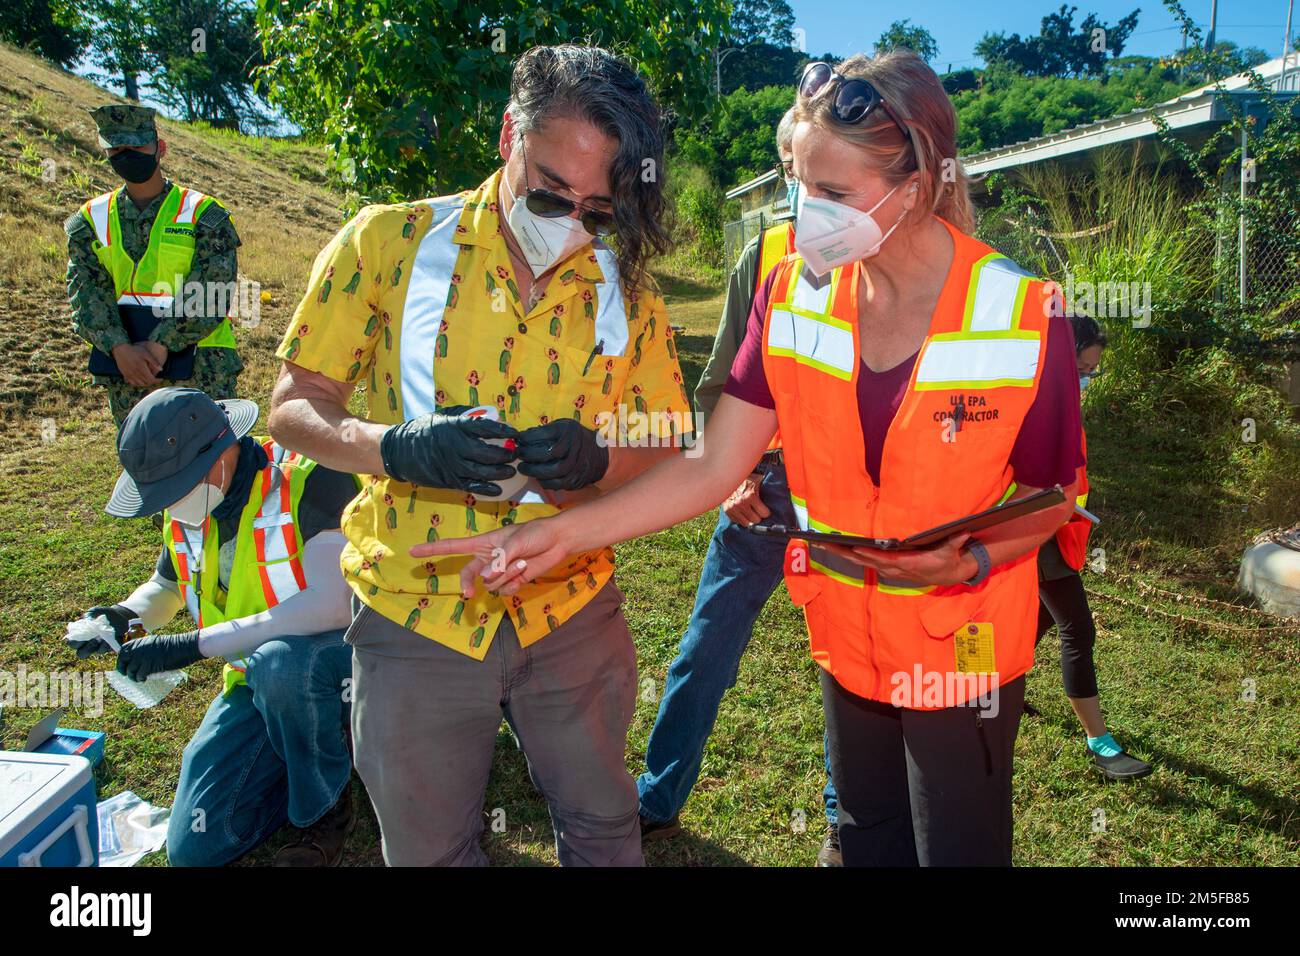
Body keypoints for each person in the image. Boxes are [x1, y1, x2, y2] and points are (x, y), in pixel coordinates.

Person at [415, 50, 1085, 867]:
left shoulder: (1021, 312)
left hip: (961, 648)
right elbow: (708, 465)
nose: (808, 215)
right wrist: (562, 533)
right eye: (799, 185)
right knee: (864, 838)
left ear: (917, 185)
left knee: (959, 846)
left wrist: (970, 557)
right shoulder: (789, 286)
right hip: (850, 642)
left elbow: (1054, 498)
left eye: (834, 195)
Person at [266, 45, 691, 867]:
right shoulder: (385, 244)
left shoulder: (629, 292)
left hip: (571, 613)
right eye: (548, 193)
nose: (568, 227)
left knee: (605, 824)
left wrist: (598, 462)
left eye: (597, 212)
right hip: (414, 610)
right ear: (508, 136)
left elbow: (668, 441)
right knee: (431, 849)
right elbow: (292, 411)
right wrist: (390, 448)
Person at [637, 107, 843, 867]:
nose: (806, 187)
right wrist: (732, 476)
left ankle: (842, 829)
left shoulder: (880, 253)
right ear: (784, 166)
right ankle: (657, 796)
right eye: (793, 168)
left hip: (850, 503)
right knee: (707, 643)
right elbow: (720, 382)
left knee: (848, 663)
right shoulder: (765, 255)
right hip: (761, 490)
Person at [75, 387, 361, 866]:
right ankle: (305, 759)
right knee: (195, 848)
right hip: (259, 682)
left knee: (281, 666)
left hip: (350, 667)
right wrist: (127, 614)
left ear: (222, 451)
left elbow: (334, 605)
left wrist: (195, 645)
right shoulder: (193, 503)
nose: (170, 502)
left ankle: (324, 813)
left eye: (175, 486)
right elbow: (166, 586)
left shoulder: (310, 478)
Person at [66, 104, 243, 429]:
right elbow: (86, 292)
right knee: (145, 467)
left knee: (211, 468)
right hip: (128, 373)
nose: (127, 155)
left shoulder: (203, 213)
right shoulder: (92, 219)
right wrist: (120, 349)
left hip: (200, 368)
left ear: (160, 148)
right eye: (117, 149)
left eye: (136, 147)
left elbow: (213, 289)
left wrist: (161, 343)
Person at [1031, 314, 1152, 780]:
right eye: (1083, 370)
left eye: (1092, 373)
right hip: (1039, 531)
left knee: (1040, 615)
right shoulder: (1037, 399)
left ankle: (996, 693)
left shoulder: (1057, 399)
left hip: (1056, 526)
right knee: (1077, 628)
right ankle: (1099, 743)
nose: (1087, 380)